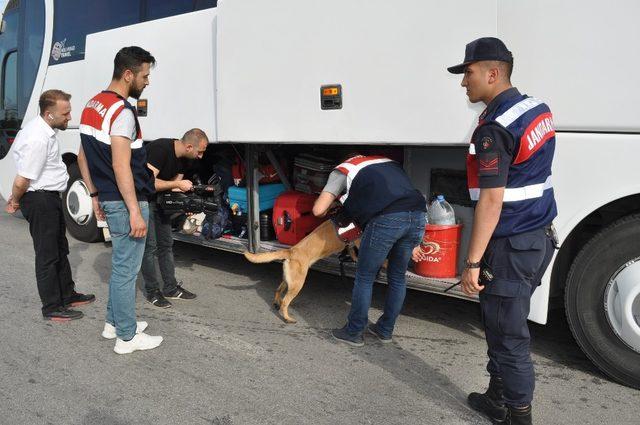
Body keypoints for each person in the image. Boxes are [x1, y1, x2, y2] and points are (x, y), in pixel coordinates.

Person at [443, 37, 557, 425]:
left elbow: (491, 202)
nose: (464, 83)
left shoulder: (494, 128)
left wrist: (471, 263)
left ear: (493, 73)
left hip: (510, 244)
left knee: (509, 336)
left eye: (469, 73)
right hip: (537, 238)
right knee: (499, 323)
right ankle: (497, 398)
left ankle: (519, 416)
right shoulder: (535, 109)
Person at [77, 46, 163, 354]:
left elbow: (82, 155)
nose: (147, 82)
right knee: (128, 269)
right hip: (128, 200)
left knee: (120, 265)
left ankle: (113, 323)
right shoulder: (123, 111)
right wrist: (134, 212)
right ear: (128, 74)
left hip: (109, 196)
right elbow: (120, 164)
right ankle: (126, 337)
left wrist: (94, 193)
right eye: (144, 75)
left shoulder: (92, 105)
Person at [313, 153, 426, 346]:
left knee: (365, 276)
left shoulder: (343, 170)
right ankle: (385, 330)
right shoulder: (386, 162)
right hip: (417, 215)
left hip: (387, 219)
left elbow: (318, 210)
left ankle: (354, 331)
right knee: (397, 276)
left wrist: (336, 201)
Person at [5, 89, 95, 321]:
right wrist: (14, 201)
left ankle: (67, 295)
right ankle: (52, 307)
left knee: (60, 249)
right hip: (40, 199)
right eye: (65, 113)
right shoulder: (38, 137)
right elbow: (22, 179)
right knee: (47, 255)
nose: (69, 117)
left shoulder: (45, 131)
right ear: (48, 114)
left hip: (50, 197)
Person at [141, 129, 209, 308]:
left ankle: (171, 288)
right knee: (150, 247)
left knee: (166, 244)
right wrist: (178, 184)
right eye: (199, 151)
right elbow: (148, 183)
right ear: (188, 146)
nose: (201, 156)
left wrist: (187, 203)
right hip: (143, 199)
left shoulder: (186, 159)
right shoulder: (160, 150)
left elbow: (172, 187)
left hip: (161, 200)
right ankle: (152, 291)